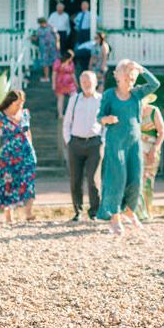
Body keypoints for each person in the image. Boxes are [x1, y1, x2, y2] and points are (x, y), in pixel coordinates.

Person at [97, 59, 160, 234]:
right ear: (120, 77)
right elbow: (100, 117)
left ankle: (130, 211)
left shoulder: (137, 94)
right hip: (115, 143)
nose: (132, 81)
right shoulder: (109, 95)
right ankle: (114, 216)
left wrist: (141, 69)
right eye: (129, 78)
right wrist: (107, 120)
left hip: (134, 143)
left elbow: (155, 84)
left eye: (133, 78)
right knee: (117, 178)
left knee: (135, 178)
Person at [0, 90, 37, 225]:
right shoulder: (1, 117)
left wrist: (32, 148)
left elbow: (28, 132)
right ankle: (9, 215)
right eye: (17, 104)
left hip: (27, 153)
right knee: (8, 183)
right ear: (10, 102)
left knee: (29, 181)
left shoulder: (25, 114)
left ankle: (28, 212)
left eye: (22, 104)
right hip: (9, 156)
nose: (19, 107)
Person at [62, 71, 102, 222]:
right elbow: (67, 122)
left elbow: (105, 122)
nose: (86, 84)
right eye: (83, 82)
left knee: (93, 179)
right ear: (80, 83)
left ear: (95, 82)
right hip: (76, 143)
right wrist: (68, 140)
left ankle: (94, 212)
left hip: (94, 143)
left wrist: (102, 140)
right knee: (75, 179)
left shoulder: (101, 100)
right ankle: (78, 211)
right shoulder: (74, 99)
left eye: (89, 81)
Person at [139, 96, 164, 219]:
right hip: (135, 150)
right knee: (136, 180)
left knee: (148, 181)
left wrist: (155, 149)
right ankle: (137, 212)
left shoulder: (154, 111)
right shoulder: (132, 111)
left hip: (151, 149)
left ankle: (148, 211)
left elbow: (162, 132)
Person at [52, 49, 78, 118]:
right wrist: (53, 84)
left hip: (70, 83)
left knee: (74, 96)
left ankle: (72, 113)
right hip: (60, 83)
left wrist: (76, 83)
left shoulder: (71, 63)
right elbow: (54, 73)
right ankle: (60, 114)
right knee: (60, 98)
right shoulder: (58, 62)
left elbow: (72, 74)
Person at [32, 17, 59, 82]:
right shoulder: (39, 29)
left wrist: (58, 44)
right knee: (45, 63)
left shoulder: (51, 28)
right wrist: (31, 38)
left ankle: (56, 77)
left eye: (42, 23)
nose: (41, 24)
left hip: (52, 48)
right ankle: (47, 77)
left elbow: (57, 36)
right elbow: (37, 38)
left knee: (54, 62)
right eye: (40, 23)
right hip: (44, 49)